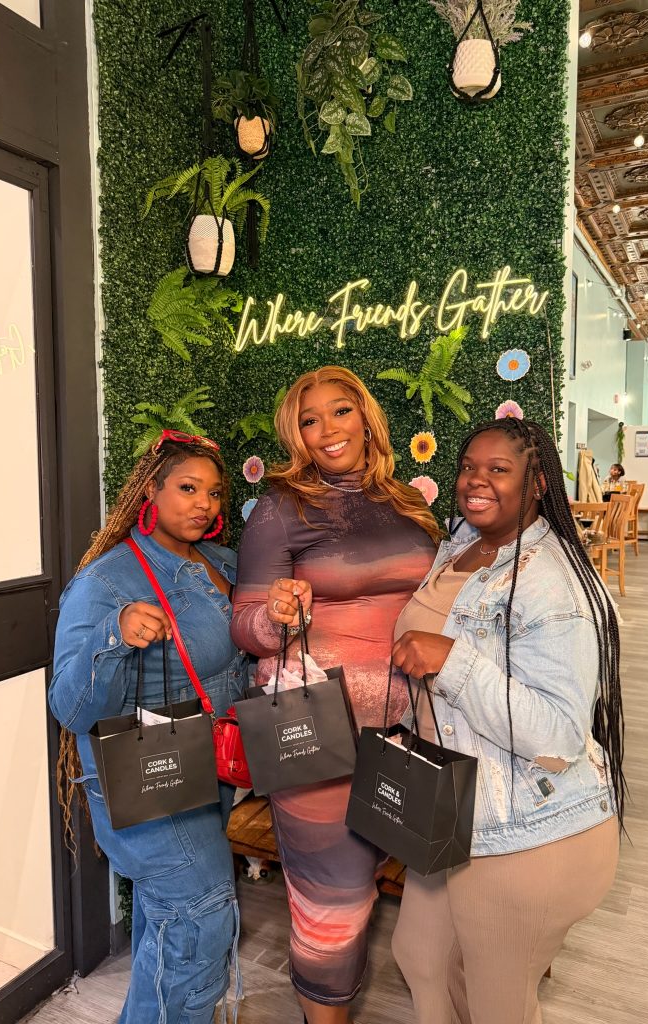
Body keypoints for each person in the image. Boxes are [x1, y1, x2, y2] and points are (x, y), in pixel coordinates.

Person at [390, 416, 625, 1024]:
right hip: (449, 803)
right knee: (418, 955)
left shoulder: (554, 583)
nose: (477, 480)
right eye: (470, 466)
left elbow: (558, 735)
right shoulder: (463, 541)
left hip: (524, 825)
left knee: (496, 1002)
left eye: (499, 470)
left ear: (537, 482)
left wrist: (453, 662)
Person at [231, 367, 440, 1024]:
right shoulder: (280, 507)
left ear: (366, 418)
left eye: (339, 412)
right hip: (317, 734)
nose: (326, 431)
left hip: (411, 730)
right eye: (309, 420)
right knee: (333, 899)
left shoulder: (408, 503)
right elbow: (245, 625)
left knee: (391, 878)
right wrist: (277, 614)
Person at [49, 430, 247, 1024]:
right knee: (202, 912)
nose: (203, 504)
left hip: (209, 761)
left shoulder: (220, 563)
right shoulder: (107, 583)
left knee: (171, 915)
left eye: (213, 493)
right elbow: (71, 707)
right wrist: (115, 634)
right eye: (187, 488)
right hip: (147, 771)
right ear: (150, 494)